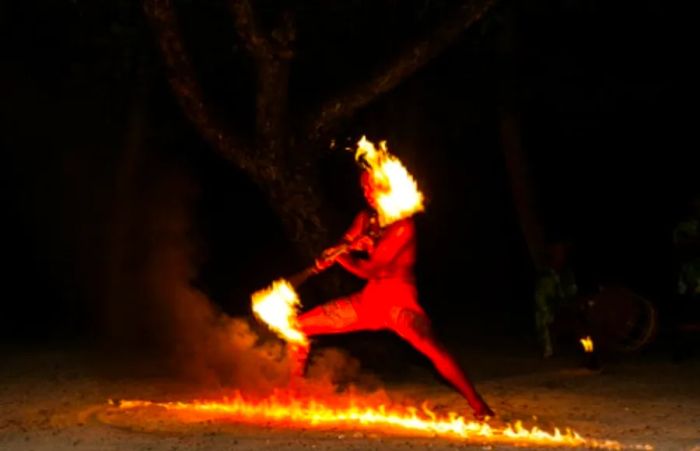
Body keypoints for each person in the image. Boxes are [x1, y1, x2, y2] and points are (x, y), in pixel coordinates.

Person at [289, 169, 494, 420]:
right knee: (298, 327)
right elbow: (347, 240)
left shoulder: (403, 227)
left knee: (434, 351)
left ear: (388, 186)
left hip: (400, 304)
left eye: (372, 186)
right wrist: (336, 250)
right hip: (368, 302)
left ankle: (479, 405)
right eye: (364, 188)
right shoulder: (366, 218)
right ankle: (294, 395)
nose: (368, 193)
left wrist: (342, 256)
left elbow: (370, 269)